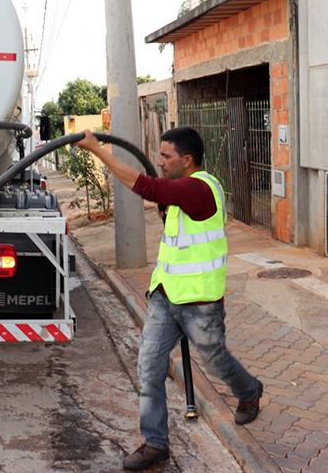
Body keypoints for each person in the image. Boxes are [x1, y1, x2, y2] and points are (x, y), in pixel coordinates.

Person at [76, 127, 263, 471]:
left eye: (166, 156)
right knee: (148, 368)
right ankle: (155, 443)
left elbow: (145, 186)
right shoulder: (180, 192)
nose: (159, 162)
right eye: (158, 155)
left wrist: (97, 150)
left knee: (216, 362)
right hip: (165, 296)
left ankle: (249, 390)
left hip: (200, 302)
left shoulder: (198, 188)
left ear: (187, 160)